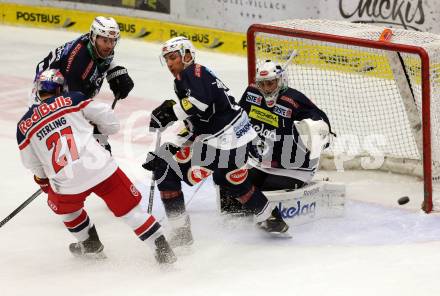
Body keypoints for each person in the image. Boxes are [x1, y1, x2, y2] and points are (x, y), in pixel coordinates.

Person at [142, 37, 290, 247]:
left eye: (173, 57)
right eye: (166, 59)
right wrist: (174, 143)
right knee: (228, 177)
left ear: (187, 55)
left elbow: (199, 106)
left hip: (226, 141)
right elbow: (199, 121)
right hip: (238, 139)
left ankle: (182, 233)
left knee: (165, 169)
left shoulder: (192, 74)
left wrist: (171, 112)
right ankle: (269, 217)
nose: (170, 63)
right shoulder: (193, 75)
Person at [17, 69, 176, 264]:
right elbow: (110, 121)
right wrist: (100, 131)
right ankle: (163, 251)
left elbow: (32, 164)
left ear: (38, 91)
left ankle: (90, 245)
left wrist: (45, 182)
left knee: (68, 211)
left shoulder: (23, 125)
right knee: (131, 212)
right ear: (61, 88)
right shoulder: (74, 99)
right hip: (101, 168)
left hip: (66, 181)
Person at [219, 60, 332, 213]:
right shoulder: (252, 93)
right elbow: (237, 119)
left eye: (270, 83)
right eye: (262, 84)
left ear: (281, 81)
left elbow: (324, 130)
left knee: (260, 190)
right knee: (229, 182)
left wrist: (313, 130)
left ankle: (262, 219)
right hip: (260, 164)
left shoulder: (294, 100)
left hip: (294, 168)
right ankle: (232, 223)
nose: (266, 89)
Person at [33, 16, 135, 152]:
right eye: (105, 40)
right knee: (65, 148)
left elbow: (104, 60)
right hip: (46, 98)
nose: (109, 46)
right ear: (93, 37)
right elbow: (74, 104)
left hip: (67, 91)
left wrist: (115, 70)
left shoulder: (94, 45)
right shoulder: (78, 63)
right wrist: (92, 131)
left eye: (113, 41)